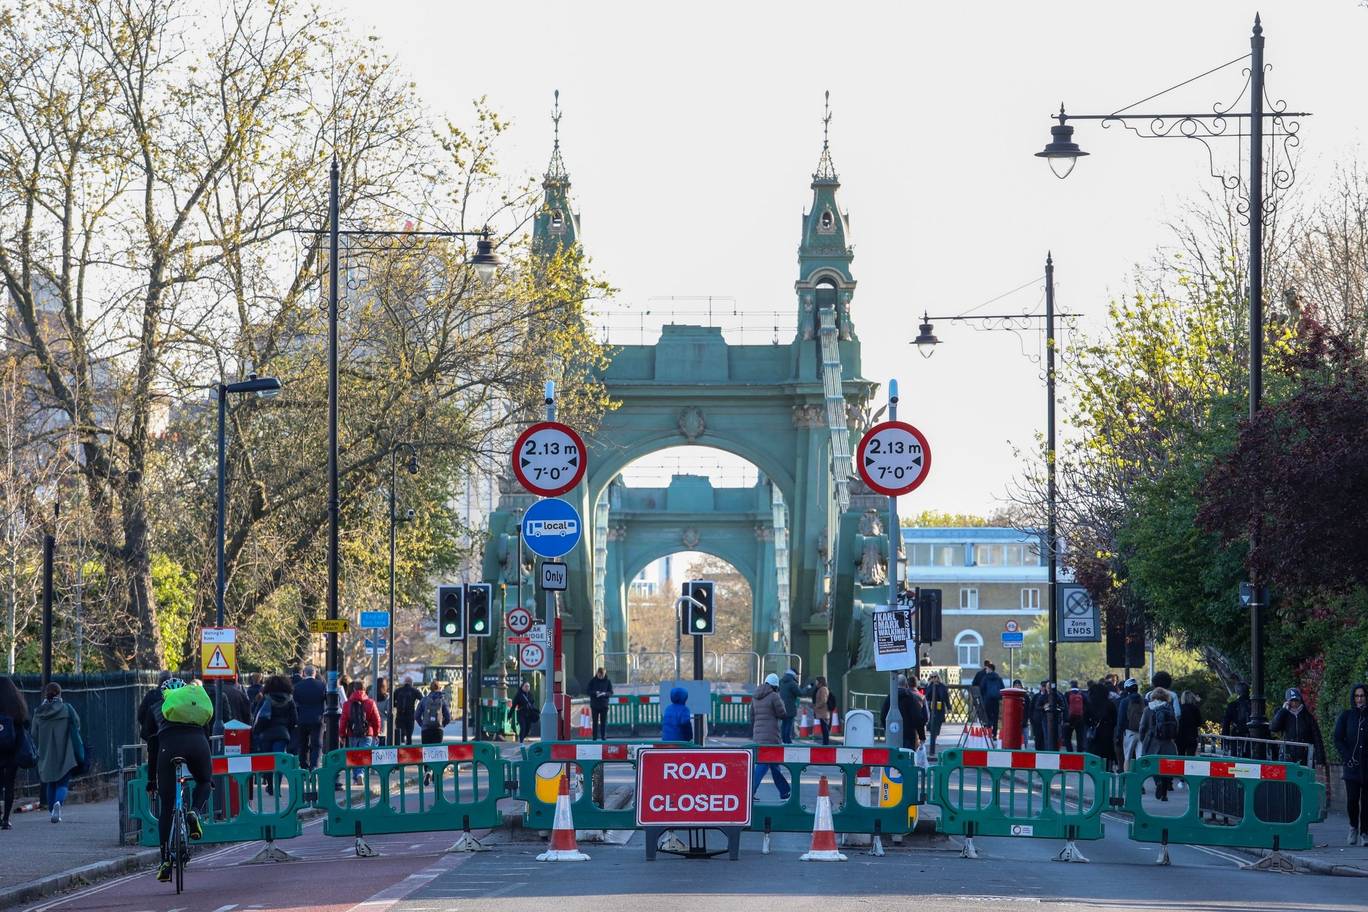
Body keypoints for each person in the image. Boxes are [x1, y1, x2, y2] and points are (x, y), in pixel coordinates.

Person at [150, 678, 214, 883]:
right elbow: (208, 733)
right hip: (198, 743)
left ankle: (164, 859)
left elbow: (151, 743)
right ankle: (194, 811)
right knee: (205, 781)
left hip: (169, 747)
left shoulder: (159, 708)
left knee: (167, 806)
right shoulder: (196, 706)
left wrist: (151, 780)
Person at [33, 683, 84, 823]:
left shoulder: (39, 712)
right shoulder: (67, 709)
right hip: (66, 752)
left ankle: (51, 810)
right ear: (60, 694)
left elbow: (33, 733)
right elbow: (77, 725)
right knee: (62, 783)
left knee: (50, 782)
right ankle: (58, 803)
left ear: (46, 695)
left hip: (46, 752)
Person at [1332, 682, 1367, 846]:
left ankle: (1365, 832)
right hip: (1352, 767)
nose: (1359, 699)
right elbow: (1337, 738)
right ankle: (1353, 826)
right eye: (1357, 696)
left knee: (1366, 803)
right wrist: (1347, 756)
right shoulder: (1346, 716)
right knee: (1352, 800)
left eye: (1362, 696)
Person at [251, 675, 298, 794]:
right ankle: (277, 786)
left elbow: (257, 714)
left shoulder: (265, 698)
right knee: (279, 760)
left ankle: (270, 785)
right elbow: (294, 719)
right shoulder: (289, 700)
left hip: (265, 733)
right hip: (282, 734)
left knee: (268, 760)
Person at [751, 673, 790, 800]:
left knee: (774, 765)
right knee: (764, 765)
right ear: (775, 686)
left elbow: (751, 716)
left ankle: (785, 791)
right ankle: (750, 791)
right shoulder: (774, 696)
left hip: (758, 736)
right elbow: (782, 713)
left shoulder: (755, 696)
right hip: (771, 736)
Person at [0, 676, 31, 829]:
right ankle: (6, 819)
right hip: (12, 749)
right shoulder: (17, 706)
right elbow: (25, 724)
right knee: (9, 784)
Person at [1139, 686, 1179, 800]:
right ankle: (1165, 792)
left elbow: (1142, 727)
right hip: (1167, 742)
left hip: (1152, 741)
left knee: (1153, 765)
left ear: (1153, 697)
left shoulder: (1148, 709)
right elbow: (1176, 725)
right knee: (1166, 766)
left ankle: (1158, 782)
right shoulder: (1169, 708)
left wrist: (1143, 739)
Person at [1270, 687, 1325, 767]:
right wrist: (1283, 710)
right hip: (1287, 755)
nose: (1294, 704)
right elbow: (1274, 728)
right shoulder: (1283, 714)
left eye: (1296, 700)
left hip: (1304, 756)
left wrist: (1320, 759)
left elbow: (1316, 737)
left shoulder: (1307, 717)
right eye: (1291, 701)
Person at [341, 680, 381, 782]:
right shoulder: (371, 703)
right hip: (367, 733)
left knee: (354, 755)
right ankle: (360, 774)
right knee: (363, 754)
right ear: (364, 689)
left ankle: (356, 776)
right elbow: (377, 720)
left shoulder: (347, 704)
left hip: (352, 733)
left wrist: (342, 734)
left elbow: (343, 721)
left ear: (354, 689)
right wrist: (376, 733)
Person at [137, 672, 170, 793]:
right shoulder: (175, 696)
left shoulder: (151, 696)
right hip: (172, 737)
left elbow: (140, 715)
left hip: (154, 737)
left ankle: (152, 783)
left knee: (153, 759)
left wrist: (149, 728)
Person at [292, 665, 326, 770]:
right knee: (317, 745)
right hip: (317, 719)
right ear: (315, 673)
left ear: (304, 673)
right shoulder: (322, 685)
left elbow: (294, 704)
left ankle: (304, 767)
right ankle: (314, 767)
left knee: (302, 744)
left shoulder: (297, 686)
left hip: (302, 719)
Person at [1114, 679, 1145, 771]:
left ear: (1127, 689)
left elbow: (1121, 719)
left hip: (1129, 732)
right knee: (1140, 759)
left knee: (1127, 757)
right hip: (1142, 732)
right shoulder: (1144, 701)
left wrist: (1119, 734)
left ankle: (1127, 780)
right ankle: (1140, 781)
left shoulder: (1125, 701)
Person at [1085, 681, 1117, 770]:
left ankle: (1094, 768)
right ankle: (1107, 769)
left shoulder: (1090, 704)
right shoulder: (1110, 704)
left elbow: (1085, 718)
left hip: (1094, 732)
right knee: (1106, 753)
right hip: (1107, 732)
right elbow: (1115, 719)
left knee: (1094, 752)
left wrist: (1091, 724)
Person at [973, 662, 1005, 737]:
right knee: (995, 717)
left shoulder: (985, 678)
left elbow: (981, 688)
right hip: (996, 701)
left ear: (990, 669)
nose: (986, 670)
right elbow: (1002, 689)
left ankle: (988, 732)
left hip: (987, 700)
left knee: (987, 717)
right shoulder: (998, 678)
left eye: (987, 669)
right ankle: (994, 734)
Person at [1031, 681, 1064, 751]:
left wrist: (1057, 707)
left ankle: (1055, 751)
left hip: (1056, 719)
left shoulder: (1058, 696)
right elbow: (1037, 706)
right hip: (1045, 719)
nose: (1049, 689)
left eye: (1050, 687)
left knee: (1056, 736)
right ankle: (1047, 751)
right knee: (1046, 736)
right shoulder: (1042, 697)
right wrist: (1044, 707)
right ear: (1046, 688)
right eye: (1048, 687)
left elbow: (1063, 707)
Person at [391, 675, 423, 746]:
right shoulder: (415, 691)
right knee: (409, 736)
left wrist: (397, 705)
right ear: (411, 683)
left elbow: (391, 702)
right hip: (410, 716)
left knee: (400, 735)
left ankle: (400, 749)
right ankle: (409, 751)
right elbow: (422, 700)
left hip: (400, 716)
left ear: (404, 683)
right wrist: (418, 709)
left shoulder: (398, 690)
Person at [924, 672, 949, 758]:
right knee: (931, 725)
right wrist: (930, 684)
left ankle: (934, 738)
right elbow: (927, 696)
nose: (934, 679)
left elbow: (946, 697)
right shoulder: (930, 686)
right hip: (932, 709)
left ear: (938, 677)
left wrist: (949, 707)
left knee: (938, 725)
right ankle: (932, 740)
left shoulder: (942, 686)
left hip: (939, 708)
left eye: (935, 677)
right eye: (932, 677)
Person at [586, 668, 613, 741]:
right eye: (599, 675)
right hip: (595, 705)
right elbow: (588, 691)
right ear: (597, 673)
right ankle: (594, 738)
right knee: (595, 722)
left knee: (603, 722)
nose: (600, 676)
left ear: (604, 674)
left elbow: (611, 692)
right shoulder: (593, 681)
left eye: (602, 675)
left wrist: (604, 693)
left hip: (604, 705)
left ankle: (603, 738)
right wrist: (595, 693)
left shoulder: (608, 681)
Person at [778, 669, 802, 744]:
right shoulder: (792, 683)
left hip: (782, 705)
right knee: (789, 723)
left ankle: (783, 739)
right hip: (790, 706)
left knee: (784, 723)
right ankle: (787, 740)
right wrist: (807, 688)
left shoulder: (781, 681)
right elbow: (799, 693)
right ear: (793, 675)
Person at [1063, 680, 1088, 753]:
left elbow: (1064, 706)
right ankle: (1079, 752)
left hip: (1069, 719)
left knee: (1067, 737)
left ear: (1071, 686)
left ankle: (1069, 752)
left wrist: (1065, 719)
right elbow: (1087, 706)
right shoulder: (1082, 694)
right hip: (1080, 719)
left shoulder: (1067, 694)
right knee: (1080, 737)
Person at [1177, 691, 1203, 756]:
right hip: (1192, 735)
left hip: (1180, 735)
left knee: (1180, 755)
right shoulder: (1195, 708)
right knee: (1191, 756)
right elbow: (1199, 723)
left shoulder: (1179, 708)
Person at [811, 676, 832, 745]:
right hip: (821, 712)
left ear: (820, 682)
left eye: (817, 681)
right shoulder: (820, 689)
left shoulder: (823, 689)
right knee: (823, 728)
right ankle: (825, 743)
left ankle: (826, 743)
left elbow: (823, 700)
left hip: (823, 712)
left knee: (825, 728)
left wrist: (816, 706)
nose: (816, 683)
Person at [372, 678, 391, 744]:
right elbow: (389, 711)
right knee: (382, 743)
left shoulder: (371, 695)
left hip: (372, 722)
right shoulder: (388, 697)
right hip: (383, 723)